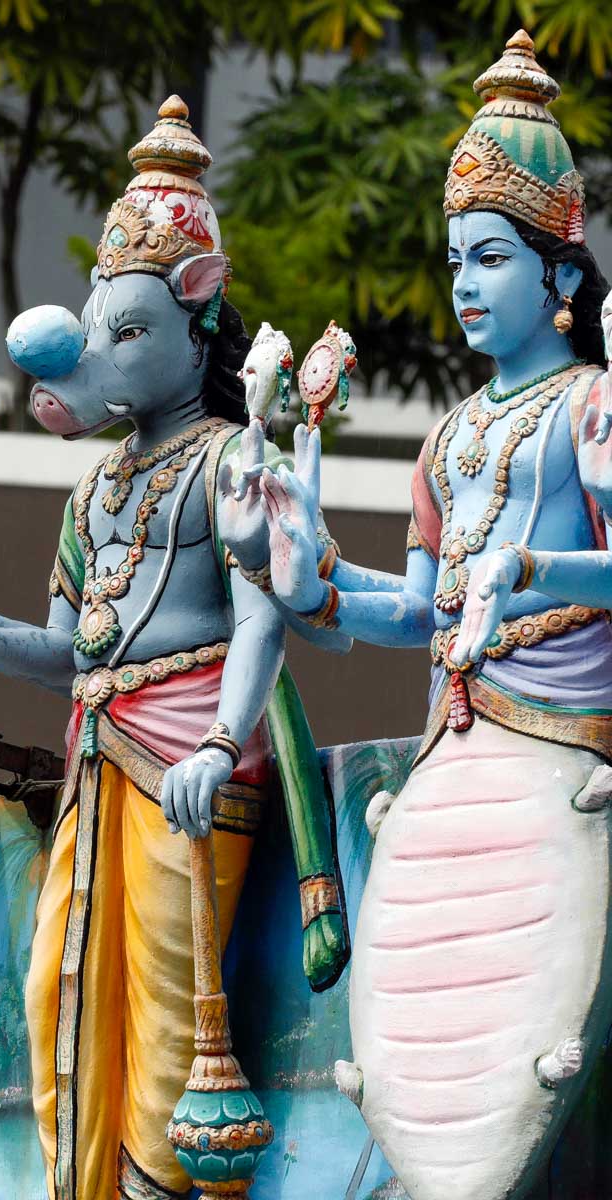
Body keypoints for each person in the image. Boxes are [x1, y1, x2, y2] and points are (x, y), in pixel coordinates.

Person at [0, 98, 350, 1199]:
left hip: (190, 765)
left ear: (201, 315)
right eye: (101, 335)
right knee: (57, 992)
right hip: (99, 766)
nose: (99, 358)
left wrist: (221, 741)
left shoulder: (229, 460)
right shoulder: (93, 489)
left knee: (170, 1019)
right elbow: (68, 651)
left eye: (127, 334)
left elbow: (261, 616)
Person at [223, 31, 612, 1200]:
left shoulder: (591, 410)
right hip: (453, 773)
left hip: (564, 759)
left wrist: (531, 569)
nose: (465, 286)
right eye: (454, 261)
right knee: (430, 1062)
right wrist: (314, 582)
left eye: (491, 257)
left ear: (560, 276)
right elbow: (419, 607)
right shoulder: (447, 438)